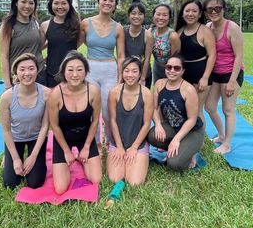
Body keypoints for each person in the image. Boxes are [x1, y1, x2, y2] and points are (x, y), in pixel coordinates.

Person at [48, 51, 102, 195]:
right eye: (70, 70)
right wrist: (66, 151)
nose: (75, 74)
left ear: (86, 71)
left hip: (85, 138)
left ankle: (82, 158)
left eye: (79, 69)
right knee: (60, 189)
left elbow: (95, 120)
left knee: (96, 179)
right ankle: (71, 158)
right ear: (64, 72)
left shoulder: (94, 91)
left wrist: (86, 147)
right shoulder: (56, 94)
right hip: (63, 140)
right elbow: (54, 125)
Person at [80, 0, 125, 146]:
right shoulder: (85, 23)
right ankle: (96, 142)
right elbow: (77, 43)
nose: (107, 2)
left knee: (108, 110)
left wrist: (120, 79)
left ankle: (110, 141)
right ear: (98, 2)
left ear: (115, 5)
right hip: (90, 69)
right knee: (91, 109)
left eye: (111, 0)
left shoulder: (118, 27)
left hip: (110, 71)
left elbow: (120, 56)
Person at [0, 53, 50, 189]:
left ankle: (31, 157)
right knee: (10, 184)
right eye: (22, 69)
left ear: (37, 70)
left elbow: (45, 126)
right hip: (15, 138)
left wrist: (33, 156)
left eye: (31, 68)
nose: (27, 73)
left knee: (35, 182)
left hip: (36, 137)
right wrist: (15, 159)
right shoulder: (7, 97)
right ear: (16, 72)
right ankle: (9, 156)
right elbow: (6, 129)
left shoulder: (46, 94)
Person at [147, 54, 205, 170]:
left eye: (177, 68)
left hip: (192, 131)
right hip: (172, 126)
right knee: (152, 136)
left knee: (174, 163)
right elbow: (154, 107)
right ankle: (179, 149)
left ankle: (192, 150)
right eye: (169, 67)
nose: (172, 71)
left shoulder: (188, 90)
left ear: (183, 71)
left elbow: (192, 119)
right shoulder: (159, 84)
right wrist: (158, 125)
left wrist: (176, 139)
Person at [204, 0, 244, 155]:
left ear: (223, 9)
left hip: (231, 73)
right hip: (215, 74)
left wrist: (232, 81)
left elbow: (239, 55)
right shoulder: (208, 27)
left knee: (228, 109)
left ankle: (227, 144)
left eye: (217, 8)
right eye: (210, 9)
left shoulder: (232, 27)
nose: (214, 12)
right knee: (209, 107)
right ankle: (221, 135)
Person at [107, 56, 154, 186]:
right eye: (126, 71)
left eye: (134, 71)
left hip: (137, 143)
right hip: (118, 142)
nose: (130, 75)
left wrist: (133, 148)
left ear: (140, 74)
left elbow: (146, 124)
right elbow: (113, 121)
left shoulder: (146, 94)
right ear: (122, 72)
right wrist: (120, 146)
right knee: (115, 179)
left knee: (134, 182)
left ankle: (140, 156)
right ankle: (121, 154)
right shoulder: (114, 92)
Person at [175, 0, 216, 124]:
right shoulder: (179, 31)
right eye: (187, 11)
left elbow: (212, 55)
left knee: (197, 111)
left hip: (200, 75)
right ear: (182, 14)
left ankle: (199, 142)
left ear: (199, 14)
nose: (190, 14)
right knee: (184, 108)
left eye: (194, 11)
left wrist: (205, 77)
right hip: (183, 75)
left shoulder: (205, 31)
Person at [0, 0, 44, 90]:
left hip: (39, 73)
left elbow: (37, 47)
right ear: (16, 3)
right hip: (20, 76)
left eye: (31, 3)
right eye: (23, 2)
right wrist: (7, 85)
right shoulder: (8, 25)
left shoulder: (35, 23)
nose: (27, 6)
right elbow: (4, 56)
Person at [40, 0, 80, 88]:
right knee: (52, 101)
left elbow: (77, 43)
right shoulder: (45, 25)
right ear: (51, 5)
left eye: (64, 3)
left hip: (72, 72)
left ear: (69, 5)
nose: (60, 7)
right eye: (56, 3)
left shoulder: (77, 25)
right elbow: (38, 48)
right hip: (51, 71)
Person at [123, 0, 154, 89]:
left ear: (144, 16)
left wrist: (143, 78)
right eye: (133, 13)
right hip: (127, 74)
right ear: (129, 15)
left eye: (140, 14)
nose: (136, 16)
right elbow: (121, 55)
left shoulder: (148, 35)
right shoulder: (122, 31)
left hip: (143, 74)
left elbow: (147, 59)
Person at [149, 3, 180, 83]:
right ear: (153, 17)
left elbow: (176, 59)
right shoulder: (151, 32)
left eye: (165, 15)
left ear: (169, 18)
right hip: (156, 68)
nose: (161, 17)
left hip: (170, 70)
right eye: (158, 14)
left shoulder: (172, 36)